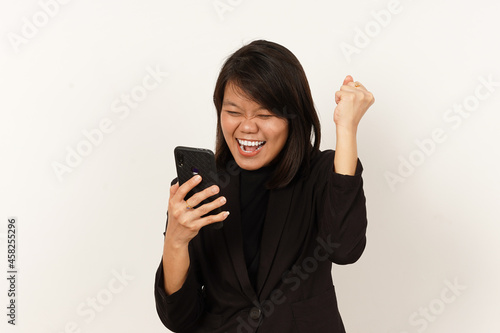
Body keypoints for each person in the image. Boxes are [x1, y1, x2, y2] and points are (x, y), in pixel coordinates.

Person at [154, 40, 375, 333]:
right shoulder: (199, 189)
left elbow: (345, 249)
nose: (247, 127)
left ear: (293, 118)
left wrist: (347, 128)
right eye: (233, 112)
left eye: (265, 114)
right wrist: (176, 241)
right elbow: (179, 318)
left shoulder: (322, 175)